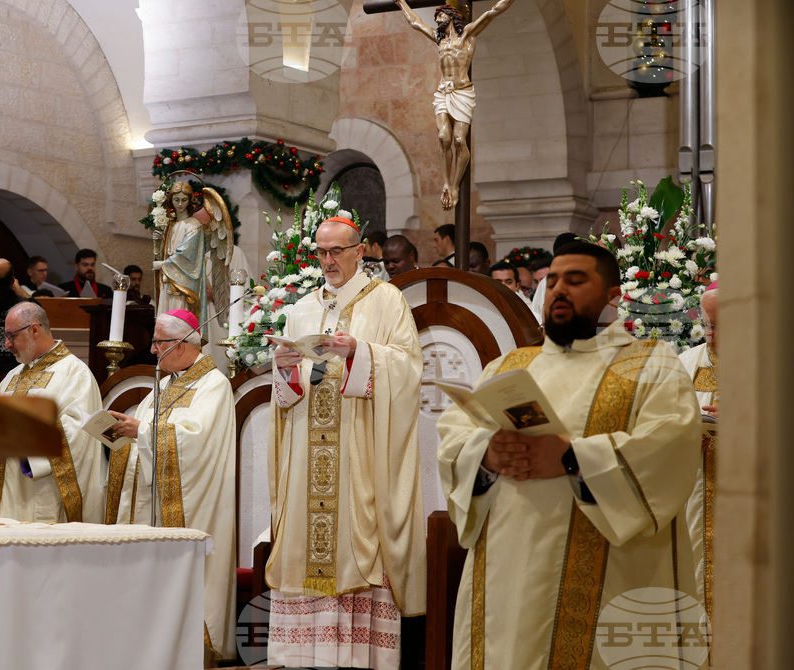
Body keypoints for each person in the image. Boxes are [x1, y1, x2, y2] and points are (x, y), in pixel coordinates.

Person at [437, 242, 702, 669]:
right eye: (554, 280)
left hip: (607, 578)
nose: (559, 290)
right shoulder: (507, 368)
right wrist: (486, 454)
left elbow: (667, 449)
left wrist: (571, 458)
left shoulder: (651, 365)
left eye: (576, 280)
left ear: (613, 295)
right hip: (508, 570)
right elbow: (454, 434)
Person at [268, 216, 426, 669]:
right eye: (320, 252)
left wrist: (361, 351)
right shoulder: (301, 307)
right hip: (305, 448)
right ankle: (302, 656)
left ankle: (358, 658)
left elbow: (409, 368)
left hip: (358, 448)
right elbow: (288, 393)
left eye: (337, 251)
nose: (328, 260)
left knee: (357, 537)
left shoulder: (387, 300)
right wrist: (281, 366)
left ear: (361, 252)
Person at [110, 309, 236, 661]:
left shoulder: (213, 384)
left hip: (190, 505)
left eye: (157, 342)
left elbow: (196, 442)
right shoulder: (162, 385)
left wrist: (143, 433)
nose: (151, 350)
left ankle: (188, 653)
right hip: (149, 504)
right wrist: (123, 432)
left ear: (180, 344)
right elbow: (148, 433)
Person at [0, 301, 104, 523]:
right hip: (5, 492)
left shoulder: (75, 373)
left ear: (34, 330)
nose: (7, 344)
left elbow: (80, 433)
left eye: (11, 336)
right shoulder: (12, 376)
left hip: (42, 493)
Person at [395, 0, 515, 209]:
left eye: (440, 16)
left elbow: (492, 12)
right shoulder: (439, 39)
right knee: (443, 137)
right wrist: (401, 3)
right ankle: (446, 183)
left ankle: (455, 186)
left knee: (459, 140)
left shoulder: (467, 35)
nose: (437, 19)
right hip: (443, 92)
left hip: (462, 92)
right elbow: (415, 23)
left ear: (451, 15)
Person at [679, 283, 719, 631]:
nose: (713, 335)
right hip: (697, 488)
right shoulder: (686, 364)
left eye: (723, 325)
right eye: (708, 324)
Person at [155, 181, 209, 326]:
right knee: (164, 323)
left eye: (184, 200)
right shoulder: (169, 224)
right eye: (176, 199)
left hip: (182, 282)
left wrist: (163, 264)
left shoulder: (194, 225)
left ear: (190, 200)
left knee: (177, 323)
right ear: (170, 200)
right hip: (167, 279)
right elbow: (164, 252)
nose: (179, 204)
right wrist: (158, 244)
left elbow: (187, 255)